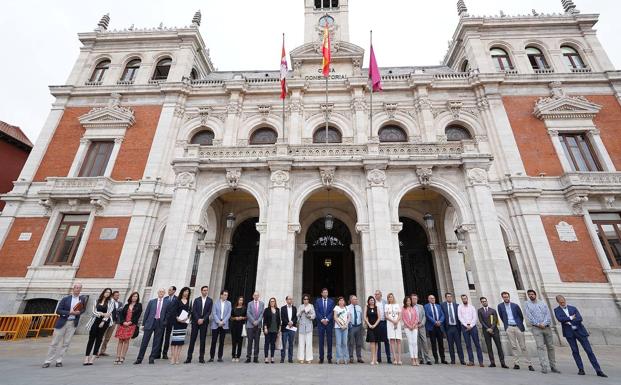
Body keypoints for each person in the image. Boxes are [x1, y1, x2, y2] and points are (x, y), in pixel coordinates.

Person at [553, 295, 607, 378]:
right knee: (575, 351)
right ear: (558, 302)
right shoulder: (556, 310)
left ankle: (598, 370)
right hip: (569, 333)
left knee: (589, 351)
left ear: (565, 300)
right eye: (561, 302)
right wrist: (571, 317)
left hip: (580, 331)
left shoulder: (573, 308)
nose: (562, 303)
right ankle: (581, 369)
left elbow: (579, 318)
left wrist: (568, 320)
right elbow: (560, 319)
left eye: (563, 301)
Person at [42, 282, 87, 368]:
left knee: (66, 343)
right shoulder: (65, 299)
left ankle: (59, 360)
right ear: (73, 289)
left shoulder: (82, 300)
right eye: (76, 288)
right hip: (62, 322)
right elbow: (58, 311)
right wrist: (69, 312)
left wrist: (79, 312)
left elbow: (83, 309)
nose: (77, 289)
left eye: (79, 288)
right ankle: (47, 361)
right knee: (54, 342)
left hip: (72, 323)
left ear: (81, 290)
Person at [524, 289, 560, 374]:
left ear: (535, 295)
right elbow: (529, 316)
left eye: (532, 294)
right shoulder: (527, 304)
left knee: (550, 347)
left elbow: (548, 314)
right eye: (529, 295)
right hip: (536, 328)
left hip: (547, 327)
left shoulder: (542, 303)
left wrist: (544, 323)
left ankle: (553, 366)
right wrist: (538, 324)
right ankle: (544, 366)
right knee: (540, 347)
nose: (531, 296)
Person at [497, 291, 534, 371]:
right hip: (509, 327)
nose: (506, 298)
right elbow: (501, 316)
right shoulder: (500, 306)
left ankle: (529, 364)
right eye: (504, 297)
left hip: (518, 327)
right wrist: (507, 326)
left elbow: (520, 316)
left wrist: (519, 324)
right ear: (502, 298)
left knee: (523, 346)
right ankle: (516, 364)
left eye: (507, 297)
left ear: (509, 297)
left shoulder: (515, 305)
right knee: (513, 346)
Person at [134, 288, 168, 365]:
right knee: (144, 341)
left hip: (160, 323)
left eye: (162, 292)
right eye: (160, 291)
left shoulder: (167, 302)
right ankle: (139, 358)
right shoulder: (152, 302)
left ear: (164, 293)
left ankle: (152, 358)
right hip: (150, 323)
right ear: (157, 292)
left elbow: (167, 314)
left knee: (156, 342)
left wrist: (164, 322)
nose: (161, 293)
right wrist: (143, 324)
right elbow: (147, 313)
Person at [83, 288, 113, 365]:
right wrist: (102, 314)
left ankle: (93, 357)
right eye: (106, 292)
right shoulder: (96, 300)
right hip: (95, 321)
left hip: (104, 322)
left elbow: (109, 313)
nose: (107, 293)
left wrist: (103, 321)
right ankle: (86, 357)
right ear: (103, 292)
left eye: (109, 292)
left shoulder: (110, 302)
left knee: (99, 339)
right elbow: (93, 312)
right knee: (91, 339)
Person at [478, 296, 508, 368]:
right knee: (489, 347)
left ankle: (502, 362)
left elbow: (495, 320)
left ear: (487, 301)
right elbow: (481, 321)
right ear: (481, 303)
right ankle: (492, 362)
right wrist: (487, 329)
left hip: (495, 330)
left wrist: (491, 328)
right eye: (483, 301)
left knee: (499, 346)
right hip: (486, 331)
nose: (484, 302)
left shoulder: (493, 310)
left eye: (485, 301)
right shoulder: (480, 310)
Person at [185, 285, 212, 364]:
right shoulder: (196, 300)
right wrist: (198, 319)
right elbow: (194, 310)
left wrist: (203, 319)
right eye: (204, 290)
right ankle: (189, 358)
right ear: (201, 291)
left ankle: (201, 358)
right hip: (195, 322)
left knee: (202, 340)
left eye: (206, 290)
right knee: (192, 340)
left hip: (204, 322)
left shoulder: (210, 300)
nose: (205, 291)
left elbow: (209, 312)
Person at [114, 291, 142, 365]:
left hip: (131, 325)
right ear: (131, 297)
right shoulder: (126, 305)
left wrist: (130, 322)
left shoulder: (139, 305)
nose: (134, 297)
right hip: (123, 324)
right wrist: (123, 322)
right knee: (120, 340)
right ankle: (117, 356)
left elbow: (137, 316)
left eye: (136, 296)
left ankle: (122, 357)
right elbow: (121, 315)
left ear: (138, 298)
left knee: (126, 340)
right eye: (133, 296)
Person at [458, 294, 484, 367]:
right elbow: (460, 317)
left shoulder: (472, 307)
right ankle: (471, 361)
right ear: (461, 299)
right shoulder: (459, 307)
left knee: (477, 344)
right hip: (464, 327)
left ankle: (481, 361)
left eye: (465, 298)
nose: (464, 300)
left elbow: (475, 317)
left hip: (473, 327)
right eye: (463, 299)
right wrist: (466, 325)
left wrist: (471, 325)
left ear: (467, 299)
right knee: (468, 345)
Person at [441, 292, 465, 365]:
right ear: (445, 297)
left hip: (456, 328)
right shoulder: (442, 305)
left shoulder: (457, 306)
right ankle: (453, 360)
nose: (449, 298)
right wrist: (443, 329)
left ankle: (462, 360)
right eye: (448, 296)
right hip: (448, 328)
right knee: (450, 345)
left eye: (450, 296)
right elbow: (442, 316)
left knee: (459, 345)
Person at [169, 287, 191, 365]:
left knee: (180, 341)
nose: (186, 293)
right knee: (175, 340)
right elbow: (174, 310)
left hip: (184, 323)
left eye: (188, 291)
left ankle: (177, 357)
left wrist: (187, 318)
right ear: (182, 292)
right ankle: (173, 357)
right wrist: (177, 318)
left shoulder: (189, 301)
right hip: (177, 322)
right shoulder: (177, 300)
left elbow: (189, 311)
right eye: (185, 291)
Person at [424, 294, 447, 364]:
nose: (433, 299)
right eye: (431, 298)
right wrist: (435, 322)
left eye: (433, 298)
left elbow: (443, 315)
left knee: (441, 344)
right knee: (433, 343)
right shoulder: (426, 306)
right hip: (432, 327)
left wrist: (440, 321)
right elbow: (427, 315)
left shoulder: (438, 306)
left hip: (439, 327)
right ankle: (436, 359)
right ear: (428, 299)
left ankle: (443, 359)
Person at [210, 290, 231, 362]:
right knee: (214, 341)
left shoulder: (229, 303)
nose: (226, 296)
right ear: (221, 295)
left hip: (224, 324)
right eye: (224, 295)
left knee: (222, 341)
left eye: (227, 295)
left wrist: (223, 321)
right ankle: (212, 357)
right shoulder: (216, 303)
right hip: (216, 324)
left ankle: (220, 357)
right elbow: (214, 313)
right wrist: (218, 321)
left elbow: (229, 313)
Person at [411, 294, 432, 365]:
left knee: (424, 342)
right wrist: (414, 324)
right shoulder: (410, 307)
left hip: (422, 327)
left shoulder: (421, 306)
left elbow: (424, 316)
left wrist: (422, 324)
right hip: (414, 327)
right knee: (417, 343)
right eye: (413, 299)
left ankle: (427, 359)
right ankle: (420, 358)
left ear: (417, 299)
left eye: (415, 299)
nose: (414, 300)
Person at [98, 290, 121, 357]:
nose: (117, 296)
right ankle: (96, 351)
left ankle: (102, 351)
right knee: (101, 335)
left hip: (113, 321)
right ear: (112, 296)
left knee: (107, 337)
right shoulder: (109, 302)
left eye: (118, 295)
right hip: (106, 320)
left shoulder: (120, 303)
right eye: (116, 295)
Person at [315, 288, 334, 364]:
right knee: (321, 341)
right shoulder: (318, 301)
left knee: (329, 341)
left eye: (327, 292)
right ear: (321, 293)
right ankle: (321, 358)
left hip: (329, 323)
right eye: (324, 292)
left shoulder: (331, 301)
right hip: (321, 323)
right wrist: (322, 319)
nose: (326, 294)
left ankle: (329, 358)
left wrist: (328, 319)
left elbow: (332, 312)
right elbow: (317, 311)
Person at [245, 291, 265, 363]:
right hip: (250, 325)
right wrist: (253, 321)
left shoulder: (262, 304)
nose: (256, 296)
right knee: (249, 342)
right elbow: (248, 313)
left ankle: (256, 357)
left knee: (257, 342)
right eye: (255, 295)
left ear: (258, 296)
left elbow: (262, 313)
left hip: (258, 326)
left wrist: (258, 321)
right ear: (253, 296)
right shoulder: (249, 303)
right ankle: (248, 357)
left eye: (257, 295)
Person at [159, 285, 177, 360]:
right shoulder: (165, 298)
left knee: (167, 337)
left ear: (174, 291)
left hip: (171, 321)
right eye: (168, 290)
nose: (169, 291)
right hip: (163, 321)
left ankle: (165, 353)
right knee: (160, 336)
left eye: (170, 290)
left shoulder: (177, 299)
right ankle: (158, 352)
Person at [374, 290, 391, 364]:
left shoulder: (385, 302)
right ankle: (378, 358)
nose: (376, 295)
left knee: (386, 341)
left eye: (377, 294)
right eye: (375, 294)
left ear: (380, 295)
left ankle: (389, 358)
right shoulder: (373, 303)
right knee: (377, 341)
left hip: (384, 323)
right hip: (377, 323)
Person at [297, 294, 315, 364]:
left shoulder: (311, 306)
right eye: (304, 299)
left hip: (309, 327)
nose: (306, 300)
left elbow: (314, 315)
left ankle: (309, 358)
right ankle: (301, 358)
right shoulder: (300, 306)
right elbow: (297, 315)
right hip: (301, 327)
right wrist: (301, 312)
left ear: (308, 300)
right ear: (303, 300)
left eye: (307, 299)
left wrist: (309, 316)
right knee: (301, 343)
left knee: (309, 343)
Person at [385, 293, 402, 365]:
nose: (390, 298)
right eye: (389, 297)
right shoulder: (386, 305)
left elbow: (400, 314)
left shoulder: (397, 305)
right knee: (392, 341)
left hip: (397, 324)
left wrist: (396, 322)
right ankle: (394, 358)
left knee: (398, 340)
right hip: (390, 323)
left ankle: (399, 359)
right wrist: (393, 321)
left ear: (393, 298)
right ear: (388, 299)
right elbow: (386, 315)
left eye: (391, 297)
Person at [402, 296, 419, 366]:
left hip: (414, 327)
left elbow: (417, 318)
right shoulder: (403, 309)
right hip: (407, 327)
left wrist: (414, 325)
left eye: (409, 301)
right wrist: (409, 326)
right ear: (405, 302)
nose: (408, 302)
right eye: (407, 301)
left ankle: (416, 358)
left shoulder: (414, 308)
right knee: (410, 343)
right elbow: (403, 318)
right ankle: (412, 359)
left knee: (415, 343)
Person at [263, 297, 280, 363]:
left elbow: (279, 320)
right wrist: (265, 328)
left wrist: (279, 329)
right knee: (267, 343)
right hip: (268, 329)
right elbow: (264, 320)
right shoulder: (266, 310)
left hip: (275, 329)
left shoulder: (278, 310)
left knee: (273, 344)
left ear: (275, 302)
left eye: (273, 301)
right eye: (271, 301)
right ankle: (266, 357)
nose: (272, 302)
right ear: (269, 303)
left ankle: (272, 357)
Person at [280, 295, 297, 363]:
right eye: (289, 299)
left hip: (292, 328)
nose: (290, 300)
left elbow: (296, 317)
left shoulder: (294, 308)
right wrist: (288, 323)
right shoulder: (283, 308)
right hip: (285, 328)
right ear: (286, 300)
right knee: (283, 344)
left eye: (291, 299)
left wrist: (292, 322)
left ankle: (290, 358)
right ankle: (282, 358)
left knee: (291, 344)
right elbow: (282, 317)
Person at [347, 295, 364, 363]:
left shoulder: (359, 307)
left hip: (359, 326)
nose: (356, 300)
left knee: (359, 343)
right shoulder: (347, 308)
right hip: (351, 326)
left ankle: (359, 357)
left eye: (356, 299)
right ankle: (351, 357)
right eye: (354, 299)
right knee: (351, 342)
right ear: (351, 300)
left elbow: (361, 317)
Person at [333, 296, 350, 364]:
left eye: (342, 300)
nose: (341, 302)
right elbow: (335, 317)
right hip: (338, 327)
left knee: (345, 343)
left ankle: (345, 358)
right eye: (340, 301)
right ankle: (338, 358)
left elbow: (349, 317)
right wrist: (340, 326)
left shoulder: (347, 308)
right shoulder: (336, 308)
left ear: (344, 302)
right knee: (338, 343)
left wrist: (346, 325)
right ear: (338, 302)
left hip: (345, 327)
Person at [230, 296, 247, 362]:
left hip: (241, 326)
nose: (241, 301)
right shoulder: (234, 308)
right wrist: (235, 318)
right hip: (234, 326)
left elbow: (246, 317)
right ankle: (233, 355)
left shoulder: (245, 308)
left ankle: (238, 356)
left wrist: (242, 318)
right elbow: (231, 317)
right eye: (240, 300)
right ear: (238, 301)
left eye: (242, 300)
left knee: (240, 342)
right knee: (234, 342)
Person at [365, 296, 380, 365]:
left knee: (376, 343)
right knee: (372, 343)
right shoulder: (366, 307)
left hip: (376, 327)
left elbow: (379, 318)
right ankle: (372, 359)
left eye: (373, 300)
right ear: (368, 301)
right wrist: (369, 325)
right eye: (370, 300)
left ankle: (376, 359)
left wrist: (375, 325)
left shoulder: (377, 308)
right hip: (370, 327)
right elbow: (365, 317)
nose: (372, 301)